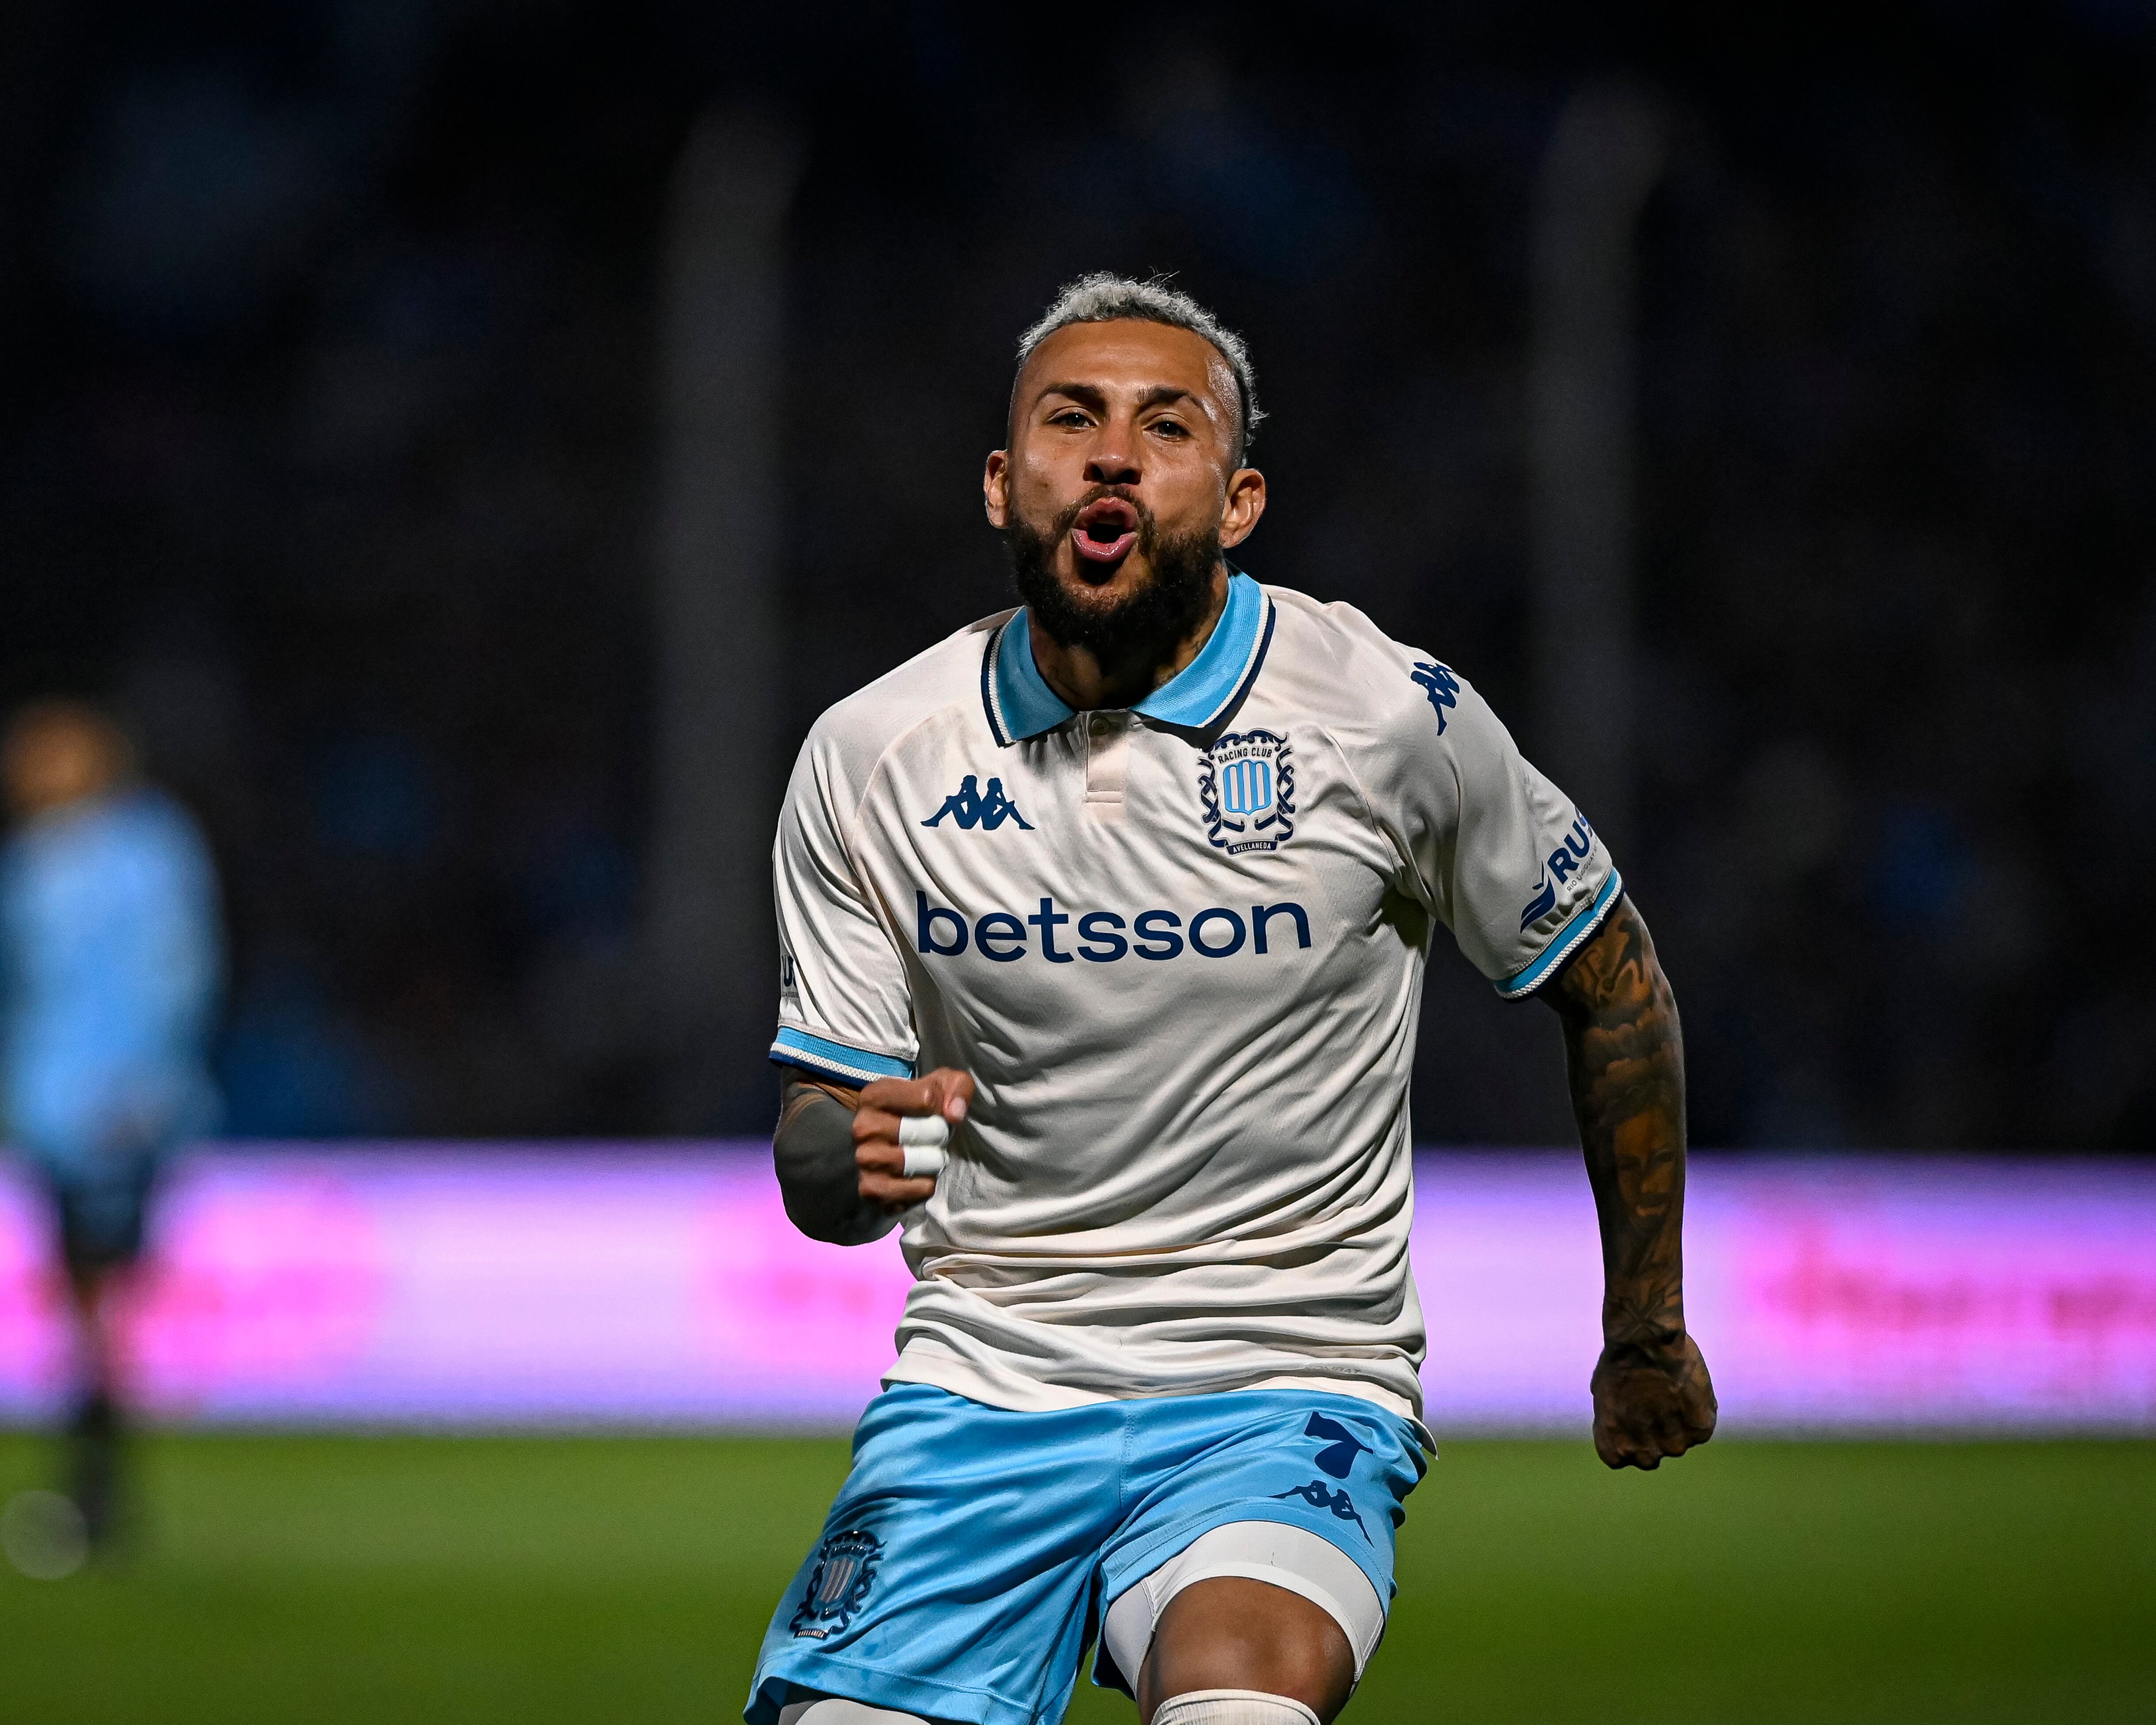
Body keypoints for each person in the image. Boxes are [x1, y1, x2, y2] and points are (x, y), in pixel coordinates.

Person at [755, 275, 1716, 1725]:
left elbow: (1612, 978)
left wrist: (1642, 1319)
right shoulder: (871, 750)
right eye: (1070, 420)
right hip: (980, 1397)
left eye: (1167, 424)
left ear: (1243, 495)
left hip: (1282, 1381)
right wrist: (846, 1157)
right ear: (1003, 483)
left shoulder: (1385, 714)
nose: (1113, 454)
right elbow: (820, 1152)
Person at [0, 699, 223, 1546]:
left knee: (105, 1298)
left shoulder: (147, 852)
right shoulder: (34, 860)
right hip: (52, 1102)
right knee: (82, 1299)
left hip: (123, 1105)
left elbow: (177, 972)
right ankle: (93, 1490)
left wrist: (141, 1085)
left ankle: (96, 1490)